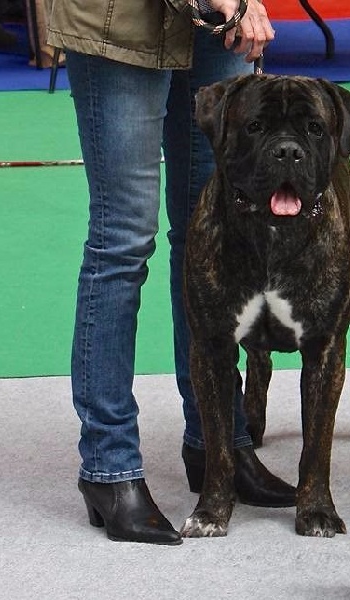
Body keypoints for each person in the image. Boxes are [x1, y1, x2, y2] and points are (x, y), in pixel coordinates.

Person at [46, 0, 295, 546]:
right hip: (118, 21)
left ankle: (218, 445)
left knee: (212, 236)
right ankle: (109, 470)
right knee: (123, 241)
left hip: (212, 22)